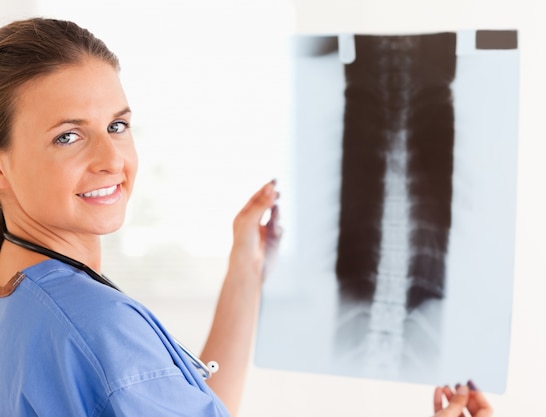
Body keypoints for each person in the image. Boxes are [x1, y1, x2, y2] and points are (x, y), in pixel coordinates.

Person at [0, 17, 492, 417]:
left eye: (118, 125)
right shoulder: (96, 325)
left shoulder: (26, 302)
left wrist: (246, 269)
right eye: (69, 135)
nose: (112, 158)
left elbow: (197, 408)